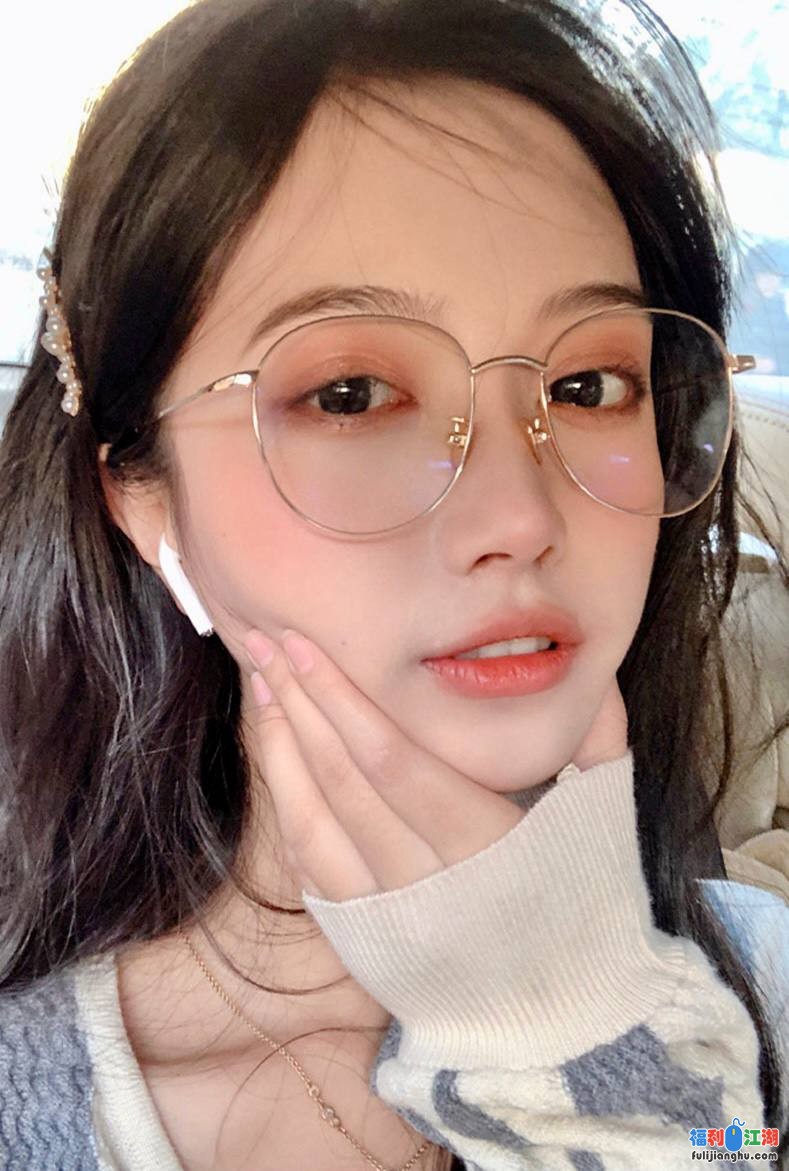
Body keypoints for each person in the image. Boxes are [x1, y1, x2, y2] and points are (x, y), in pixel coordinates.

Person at [0, 0, 786, 1168]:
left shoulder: (766, 986)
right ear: (140, 496)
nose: (523, 517)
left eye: (587, 386)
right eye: (352, 395)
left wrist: (590, 1041)